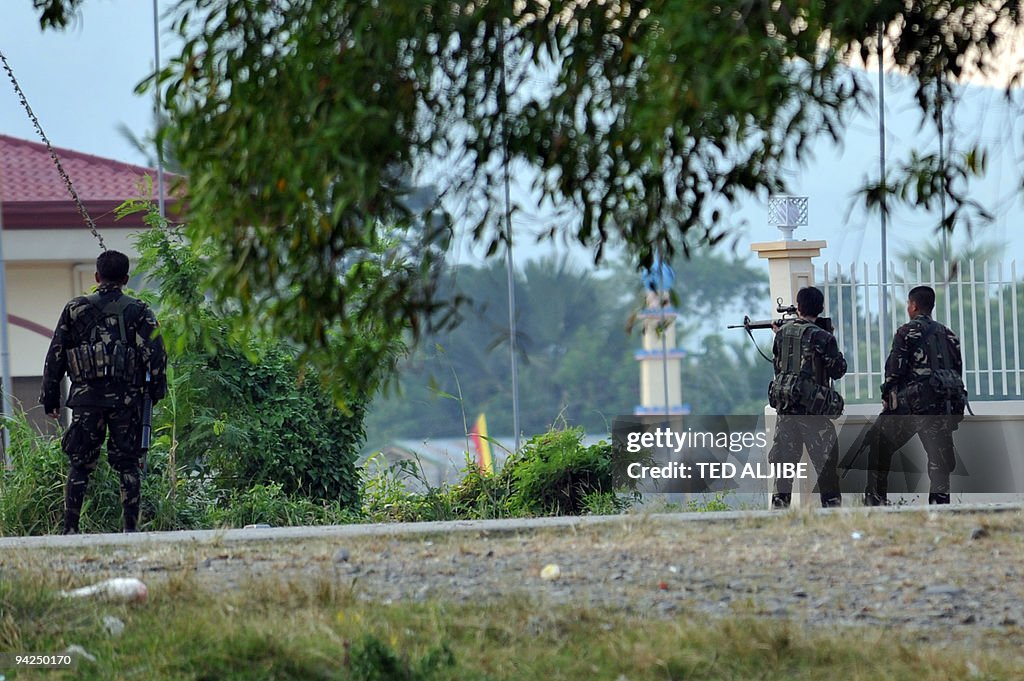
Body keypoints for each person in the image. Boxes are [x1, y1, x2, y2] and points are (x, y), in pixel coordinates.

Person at [40, 250, 167, 534]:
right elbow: (156, 354)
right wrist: (156, 391)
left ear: (97, 277)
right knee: (128, 465)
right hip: (127, 399)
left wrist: (51, 397)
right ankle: (130, 529)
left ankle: (70, 528)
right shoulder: (139, 310)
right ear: (125, 278)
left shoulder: (75, 309)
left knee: (80, 464)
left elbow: (56, 354)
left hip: (87, 400)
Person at [864, 285, 966, 506]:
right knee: (939, 461)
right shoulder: (949, 335)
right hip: (943, 406)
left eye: (909, 304)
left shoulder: (906, 332)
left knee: (879, 445)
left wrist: (887, 397)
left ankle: (875, 502)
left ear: (914, 306)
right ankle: (940, 506)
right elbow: (957, 371)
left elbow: (894, 370)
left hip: (912, 407)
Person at [767, 286, 847, 508]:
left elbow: (778, 368)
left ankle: (779, 510)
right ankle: (831, 512)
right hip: (814, 414)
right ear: (820, 308)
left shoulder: (781, 334)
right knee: (827, 470)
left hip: (786, 412)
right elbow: (838, 370)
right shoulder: (823, 337)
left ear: (798, 308)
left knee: (783, 471)